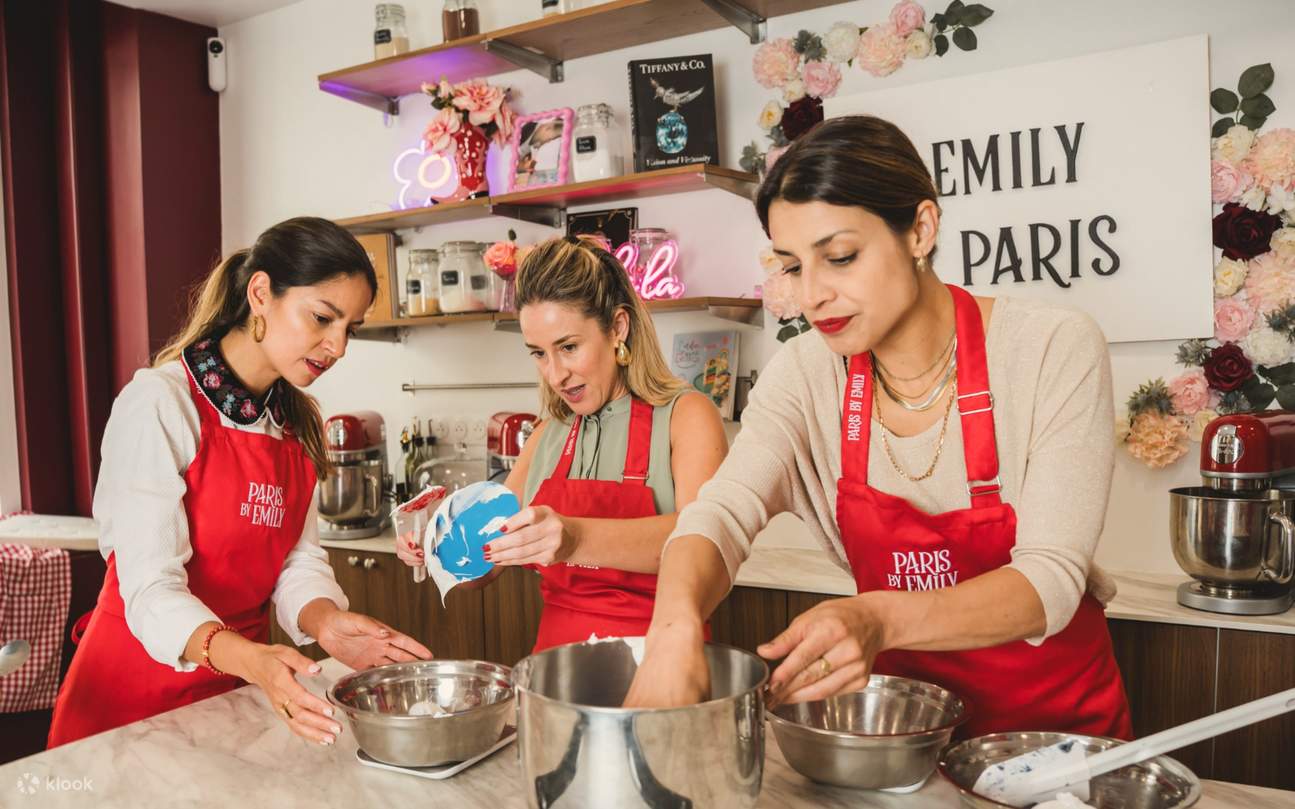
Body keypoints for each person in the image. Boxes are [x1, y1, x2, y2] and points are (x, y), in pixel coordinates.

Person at [624, 116, 1132, 740]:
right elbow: (721, 515)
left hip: (1058, 743)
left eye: (839, 257)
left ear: (920, 230)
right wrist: (673, 629)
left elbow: (1050, 579)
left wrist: (877, 619)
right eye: (792, 267)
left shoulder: (1051, 346)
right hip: (906, 740)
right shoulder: (806, 374)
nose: (812, 295)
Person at [49, 217, 432, 748]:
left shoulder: (297, 425)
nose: (338, 346)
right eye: (323, 317)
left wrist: (326, 623)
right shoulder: (160, 404)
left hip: (238, 688)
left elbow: (297, 564)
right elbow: (150, 589)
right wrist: (251, 660)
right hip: (129, 702)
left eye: (351, 328)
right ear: (260, 293)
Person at [397, 236, 727, 651]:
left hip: (664, 661)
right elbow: (486, 567)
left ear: (618, 328)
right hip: (559, 669)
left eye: (569, 347)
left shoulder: (687, 415)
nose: (555, 375)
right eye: (538, 353)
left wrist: (573, 538)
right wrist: (439, 544)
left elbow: (707, 545)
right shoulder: (547, 433)